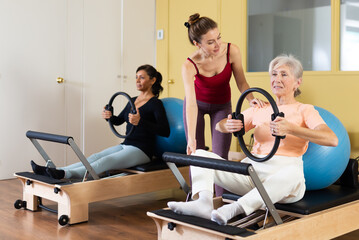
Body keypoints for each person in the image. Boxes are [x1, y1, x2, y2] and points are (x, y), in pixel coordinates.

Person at [168, 54, 338, 225]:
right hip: (251, 171)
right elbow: (220, 125)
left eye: (284, 74)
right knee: (199, 154)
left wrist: (291, 128)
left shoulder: (305, 110)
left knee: (293, 176)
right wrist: (226, 125)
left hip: (285, 176)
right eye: (274, 74)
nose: (277, 79)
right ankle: (204, 203)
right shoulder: (260, 108)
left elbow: (331, 139)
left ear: (297, 82)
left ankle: (234, 209)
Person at [31, 64, 170, 179]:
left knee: (106, 161)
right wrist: (110, 116)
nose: (137, 80)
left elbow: (165, 130)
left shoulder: (155, 104)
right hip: (126, 144)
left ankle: (65, 174)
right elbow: (119, 121)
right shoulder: (133, 100)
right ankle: (54, 170)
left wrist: (140, 122)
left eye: (142, 77)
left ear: (152, 80)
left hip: (142, 151)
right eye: (136, 77)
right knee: (95, 156)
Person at [182, 13, 264, 196]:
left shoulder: (231, 51)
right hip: (196, 105)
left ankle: (220, 201)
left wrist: (251, 99)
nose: (218, 45)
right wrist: (191, 139)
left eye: (218, 37)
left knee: (220, 157)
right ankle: (197, 200)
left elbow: (241, 82)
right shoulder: (189, 65)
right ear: (198, 44)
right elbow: (191, 105)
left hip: (221, 106)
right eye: (210, 42)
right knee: (196, 154)